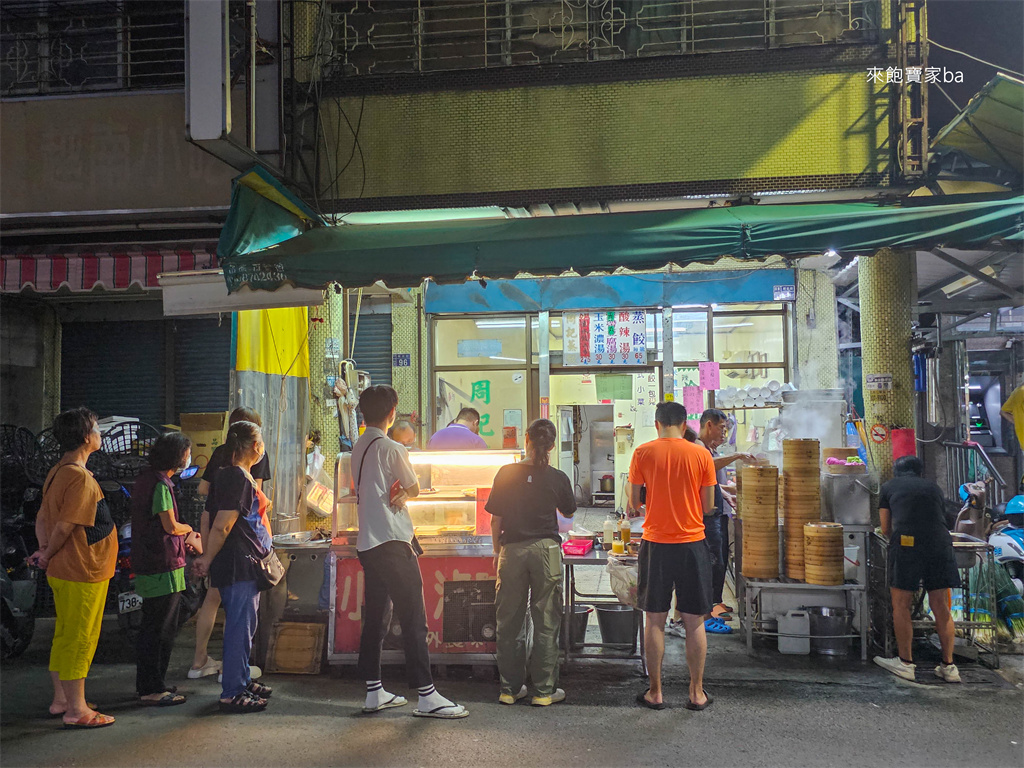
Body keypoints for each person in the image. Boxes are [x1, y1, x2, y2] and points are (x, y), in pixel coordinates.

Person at [353, 385, 468, 719]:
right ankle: (427, 695)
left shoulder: (359, 445)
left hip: (368, 544)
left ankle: (374, 690)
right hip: (392, 542)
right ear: (392, 413)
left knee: (376, 617)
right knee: (414, 619)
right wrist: (404, 493)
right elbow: (415, 487)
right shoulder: (391, 447)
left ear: (363, 413)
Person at [29, 407, 117, 729]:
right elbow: (65, 526)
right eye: (96, 428)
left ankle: (62, 700)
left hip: (66, 572)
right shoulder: (79, 478)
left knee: (65, 635)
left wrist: (42, 551)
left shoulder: (58, 471)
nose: (100, 434)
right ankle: (77, 710)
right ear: (85, 438)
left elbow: (42, 517)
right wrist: (49, 552)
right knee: (81, 638)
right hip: (82, 571)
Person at [629, 401, 716, 711]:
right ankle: (696, 693)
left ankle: (656, 691)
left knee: (654, 620)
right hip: (693, 544)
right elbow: (708, 507)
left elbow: (634, 502)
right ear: (684, 423)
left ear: (657, 424)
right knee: (694, 622)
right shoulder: (701, 454)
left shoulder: (643, 453)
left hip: (656, 544)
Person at [487, 419, 576, 707]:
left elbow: (495, 519)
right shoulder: (557, 477)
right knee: (546, 622)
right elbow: (569, 513)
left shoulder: (506, 473)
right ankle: (543, 692)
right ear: (551, 446)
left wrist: (496, 551)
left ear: (525, 438)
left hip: (512, 551)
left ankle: (509, 690)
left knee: (509, 621)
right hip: (547, 551)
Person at [193, 421, 275, 713]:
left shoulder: (232, 475)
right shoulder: (237, 477)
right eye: (261, 441)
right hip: (238, 564)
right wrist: (206, 558)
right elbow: (222, 526)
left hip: (242, 563)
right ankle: (232, 692)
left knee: (245, 627)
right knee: (239, 628)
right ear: (255, 447)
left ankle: (241, 680)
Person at [873, 455, 962, 683]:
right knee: (940, 605)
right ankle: (949, 666)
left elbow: (885, 527)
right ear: (920, 472)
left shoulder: (889, 486)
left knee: (901, 605)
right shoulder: (933, 487)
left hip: (907, 544)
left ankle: (905, 663)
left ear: (896, 470)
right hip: (940, 545)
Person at [667, 409, 754, 637]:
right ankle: (695, 618)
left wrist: (725, 494)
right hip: (702, 519)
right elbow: (705, 468)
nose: (725, 433)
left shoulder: (705, 449)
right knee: (701, 568)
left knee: (709, 567)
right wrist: (738, 455)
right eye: (722, 428)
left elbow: (709, 482)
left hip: (709, 516)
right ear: (708, 426)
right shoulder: (697, 448)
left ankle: (703, 613)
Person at [131, 433, 195, 707]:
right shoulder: (160, 485)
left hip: (151, 563)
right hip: (162, 565)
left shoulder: (147, 479)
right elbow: (170, 526)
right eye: (187, 452)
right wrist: (190, 530)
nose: (188, 457)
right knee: (159, 630)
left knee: (154, 627)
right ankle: (152, 688)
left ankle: (153, 683)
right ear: (178, 456)